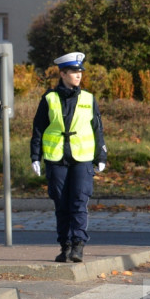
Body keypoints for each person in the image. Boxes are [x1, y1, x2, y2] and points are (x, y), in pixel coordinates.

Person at [29, 51, 108, 264]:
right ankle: (64, 246)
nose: (78, 75)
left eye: (80, 71)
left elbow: (97, 129)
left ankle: (78, 246)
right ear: (63, 74)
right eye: (73, 71)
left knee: (79, 202)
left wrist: (101, 155)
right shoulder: (49, 98)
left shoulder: (88, 99)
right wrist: (35, 156)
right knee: (61, 204)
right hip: (56, 158)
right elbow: (38, 129)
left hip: (82, 158)